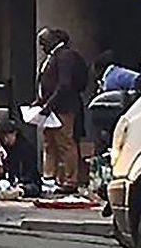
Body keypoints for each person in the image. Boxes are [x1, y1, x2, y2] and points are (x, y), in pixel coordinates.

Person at [36, 27, 88, 195]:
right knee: (49, 143)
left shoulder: (65, 56)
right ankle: (49, 178)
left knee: (65, 143)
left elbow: (64, 84)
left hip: (63, 107)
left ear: (52, 41)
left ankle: (70, 180)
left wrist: (49, 104)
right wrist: (40, 101)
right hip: (50, 106)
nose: (42, 47)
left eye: (43, 43)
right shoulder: (52, 57)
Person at [0, 121, 42, 198]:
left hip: (26, 180)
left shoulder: (25, 148)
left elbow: (29, 172)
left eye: (8, 136)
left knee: (32, 188)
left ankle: (18, 192)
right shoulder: (3, 148)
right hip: (10, 180)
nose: (6, 140)